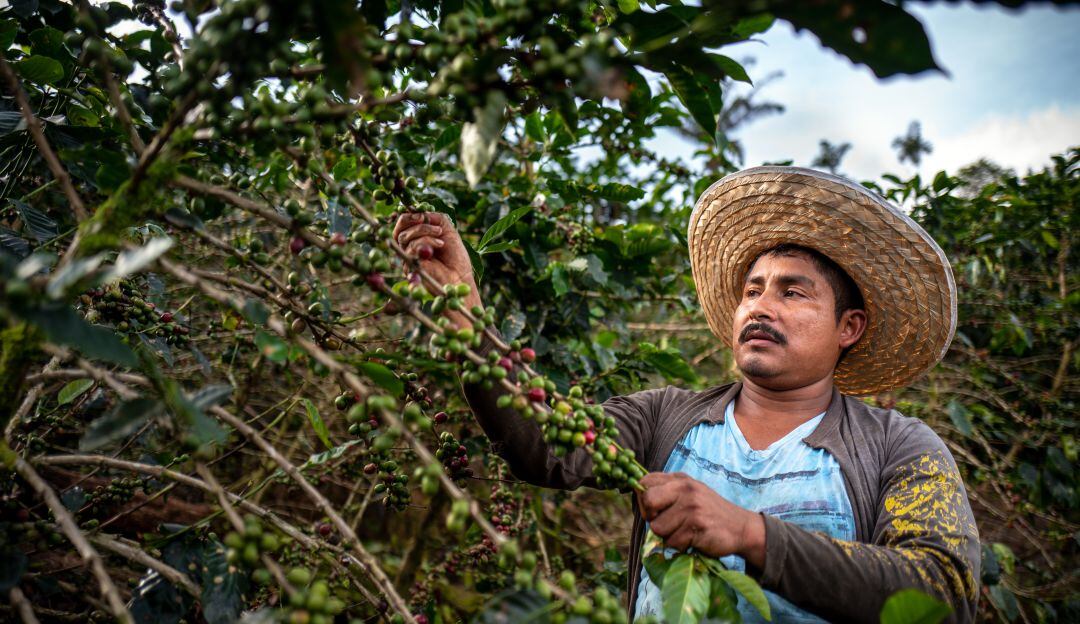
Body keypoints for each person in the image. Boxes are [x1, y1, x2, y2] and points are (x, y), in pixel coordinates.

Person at [393, 166, 980, 623]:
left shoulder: (897, 446)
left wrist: (751, 534)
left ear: (848, 328)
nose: (760, 307)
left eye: (794, 293)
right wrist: (467, 318)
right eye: (752, 290)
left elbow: (941, 593)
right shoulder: (665, 417)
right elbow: (545, 445)